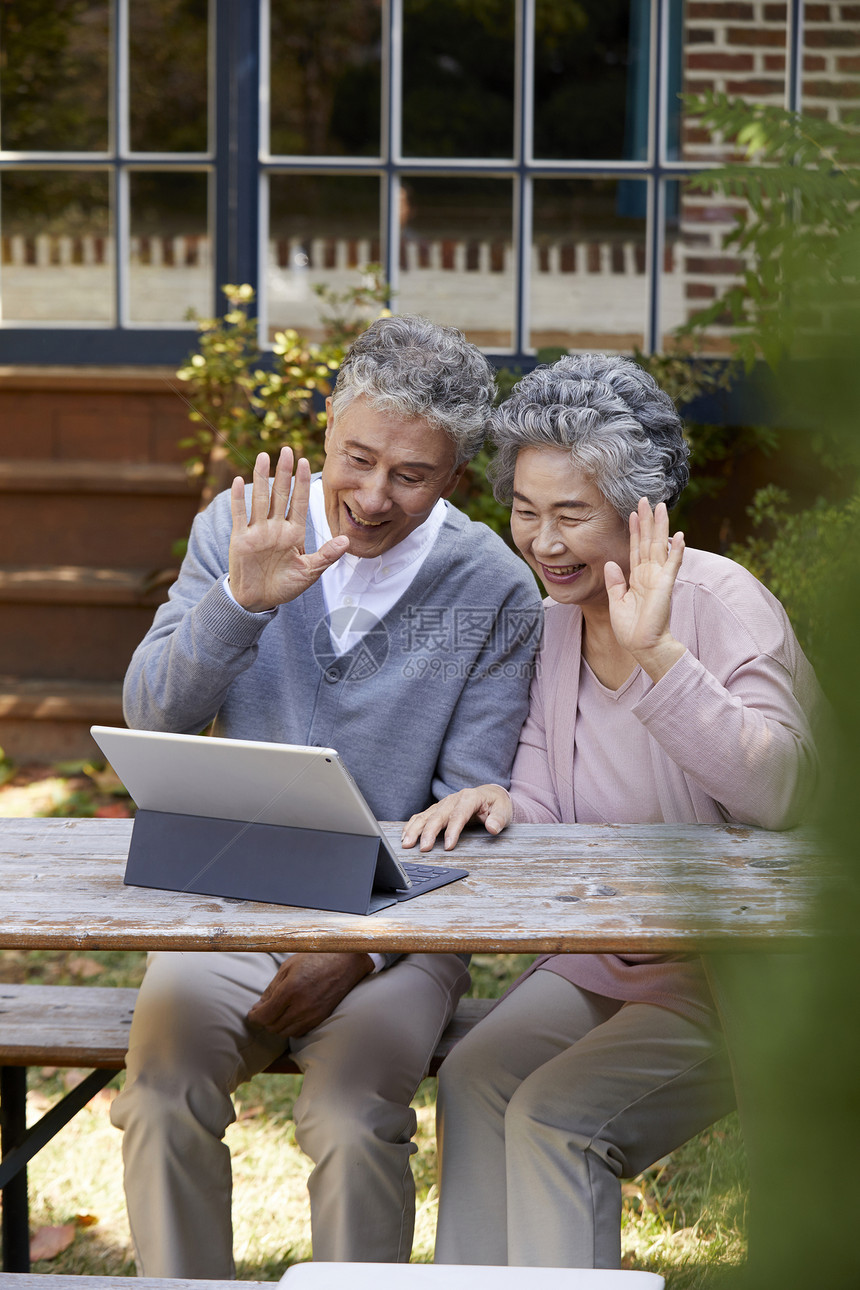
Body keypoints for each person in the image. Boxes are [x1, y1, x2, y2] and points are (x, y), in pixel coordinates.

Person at [110, 314, 543, 1276]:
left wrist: (358, 950)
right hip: (227, 906)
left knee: (350, 1120)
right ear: (328, 422)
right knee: (159, 1092)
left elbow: (467, 814)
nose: (375, 498)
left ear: (457, 474)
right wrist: (239, 606)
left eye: (413, 475)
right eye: (357, 458)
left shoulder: (496, 591)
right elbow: (152, 717)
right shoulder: (236, 525)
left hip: (394, 937)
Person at [401, 352, 822, 1269]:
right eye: (524, 511)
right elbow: (555, 797)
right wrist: (501, 801)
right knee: (473, 1075)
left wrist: (660, 658)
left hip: (740, 970)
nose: (542, 543)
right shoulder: (555, 621)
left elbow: (783, 791)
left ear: (641, 513)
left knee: (559, 1119)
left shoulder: (719, 604)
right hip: (614, 954)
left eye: (569, 516)